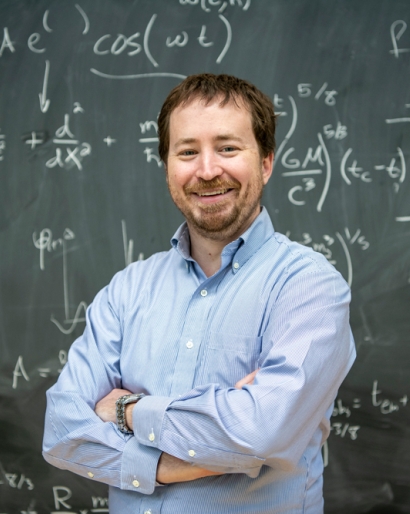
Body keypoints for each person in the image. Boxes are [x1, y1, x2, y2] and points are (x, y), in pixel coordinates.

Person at [43, 73, 356, 513]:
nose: (207, 170)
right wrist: (166, 466)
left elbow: (262, 430)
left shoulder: (308, 287)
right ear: (168, 166)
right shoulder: (127, 291)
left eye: (228, 148)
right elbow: (61, 430)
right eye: (188, 151)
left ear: (266, 161)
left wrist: (127, 410)